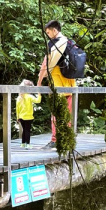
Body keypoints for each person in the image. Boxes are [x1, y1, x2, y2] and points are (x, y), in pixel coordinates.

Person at [37, 20, 76, 148]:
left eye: (48, 32)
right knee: (67, 114)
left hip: (57, 84)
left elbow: (45, 64)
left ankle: (55, 140)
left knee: (56, 114)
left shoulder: (53, 44)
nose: (48, 35)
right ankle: (66, 140)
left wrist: (39, 82)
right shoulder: (70, 42)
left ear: (54, 30)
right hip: (70, 84)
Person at [16, 80, 41, 148]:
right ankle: (28, 144)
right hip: (28, 117)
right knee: (27, 131)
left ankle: (23, 143)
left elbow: (17, 109)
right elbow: (38, 101)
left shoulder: (19, 97)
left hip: (21, 117)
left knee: (24, 130)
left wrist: (17, 117)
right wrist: (39, 93)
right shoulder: (29, 96)